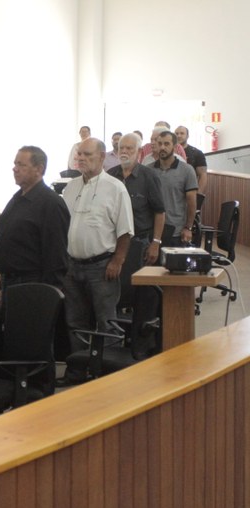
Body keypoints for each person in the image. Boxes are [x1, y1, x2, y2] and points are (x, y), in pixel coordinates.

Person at [61, 138, 134, 383]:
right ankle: (77, 371)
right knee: (75, 322)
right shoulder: (70, 187)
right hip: (72, 266)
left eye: (87, 154)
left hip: (102, 266)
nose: (81, 158)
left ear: (102, 157)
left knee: (107, 322)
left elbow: (125, 231)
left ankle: (108, 376)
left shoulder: (115, 188)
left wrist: (118, 261)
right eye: (79, 154)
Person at [107, 133, 166, 358]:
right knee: (114, 293)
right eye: (121, 148)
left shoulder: (149, 176)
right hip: (113, 244)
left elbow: (159, 212)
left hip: (140, 243)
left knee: (141, 296)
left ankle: (140, 346)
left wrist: (156, 243)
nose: (124, 152)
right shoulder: (110, 176)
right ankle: (113, 344)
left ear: (139, 152)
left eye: (130, 148)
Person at [0, 146, 69, 296]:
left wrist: (47, 294)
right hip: (10, 282)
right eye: (15, 164)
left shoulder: (51, 203)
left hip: (32, 284)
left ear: (39, 169)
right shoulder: (17, 199)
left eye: (21, 165)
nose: (15, 169)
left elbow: (56, 255)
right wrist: (1, 285)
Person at [152, 131, 198, 247]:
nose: (162, 147)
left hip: (175, 231)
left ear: (175, 146)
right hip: (152, 229)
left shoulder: (187, 170)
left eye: (167, 144)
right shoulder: (148, 170)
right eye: (160, 144)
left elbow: (191, 202)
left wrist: (188, 227)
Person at [175, 125, 208, 192]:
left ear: (187, 136)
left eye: (182, 133)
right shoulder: (169, 153)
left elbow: (203, 175)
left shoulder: (197, 153)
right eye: (177, 133)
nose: (179, 136)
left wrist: (198, 194)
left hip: (190, 191)